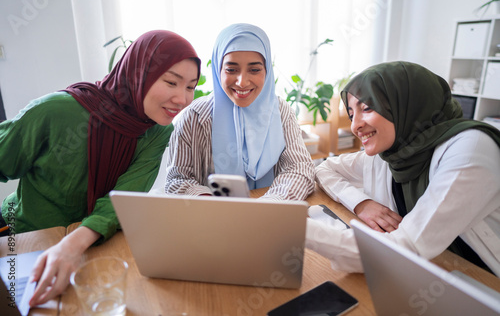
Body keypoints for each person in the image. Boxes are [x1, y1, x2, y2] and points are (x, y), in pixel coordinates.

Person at [0, 30, 201, 306]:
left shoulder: (157, 131)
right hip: (20, 238)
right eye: (171, 82)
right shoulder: (56, 112)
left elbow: (124, 199)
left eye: (190, 87)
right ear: (137, 74)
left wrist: (73, 245)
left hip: (91, 246)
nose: (182, 99)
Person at [307, 61, 500, 276]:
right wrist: (361, 203)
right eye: (352, 114)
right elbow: (324, 169)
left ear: (408, 103)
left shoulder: (469, 151)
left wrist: (297, 228)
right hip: (436, 269)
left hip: (485, 283)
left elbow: (398, 251)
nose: (355, 126)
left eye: (367, 108)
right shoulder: (396, 152)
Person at [164, 23, 315, 200]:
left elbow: (300, 168)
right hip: (213, 218)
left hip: (270, 216)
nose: (242, 82)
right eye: (231, 69)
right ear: (218, 70)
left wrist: (269, 203)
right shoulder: (193, 118)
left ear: (267, 71)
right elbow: (176, 181)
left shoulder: (280, 112)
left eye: (254, 69)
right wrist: (212, 201)